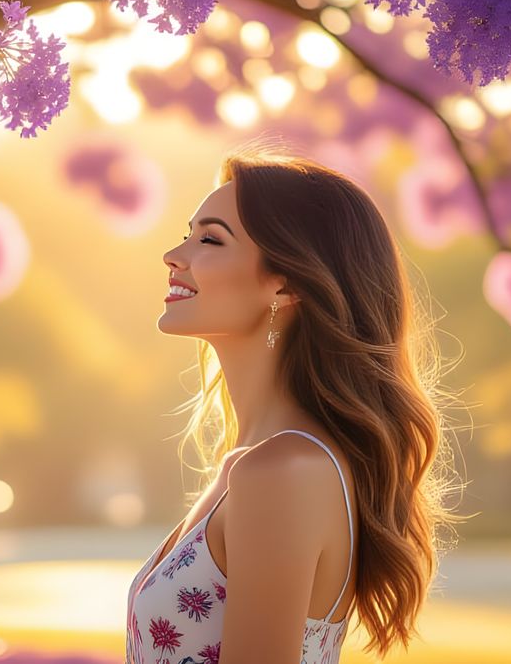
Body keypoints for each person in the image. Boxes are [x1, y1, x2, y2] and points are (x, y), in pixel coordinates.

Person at [126, 143, 458, 664]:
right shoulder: (254, 464)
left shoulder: (282, 471)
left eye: (210, 239)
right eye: (186, 234)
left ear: (286, 284)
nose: (175, 256)